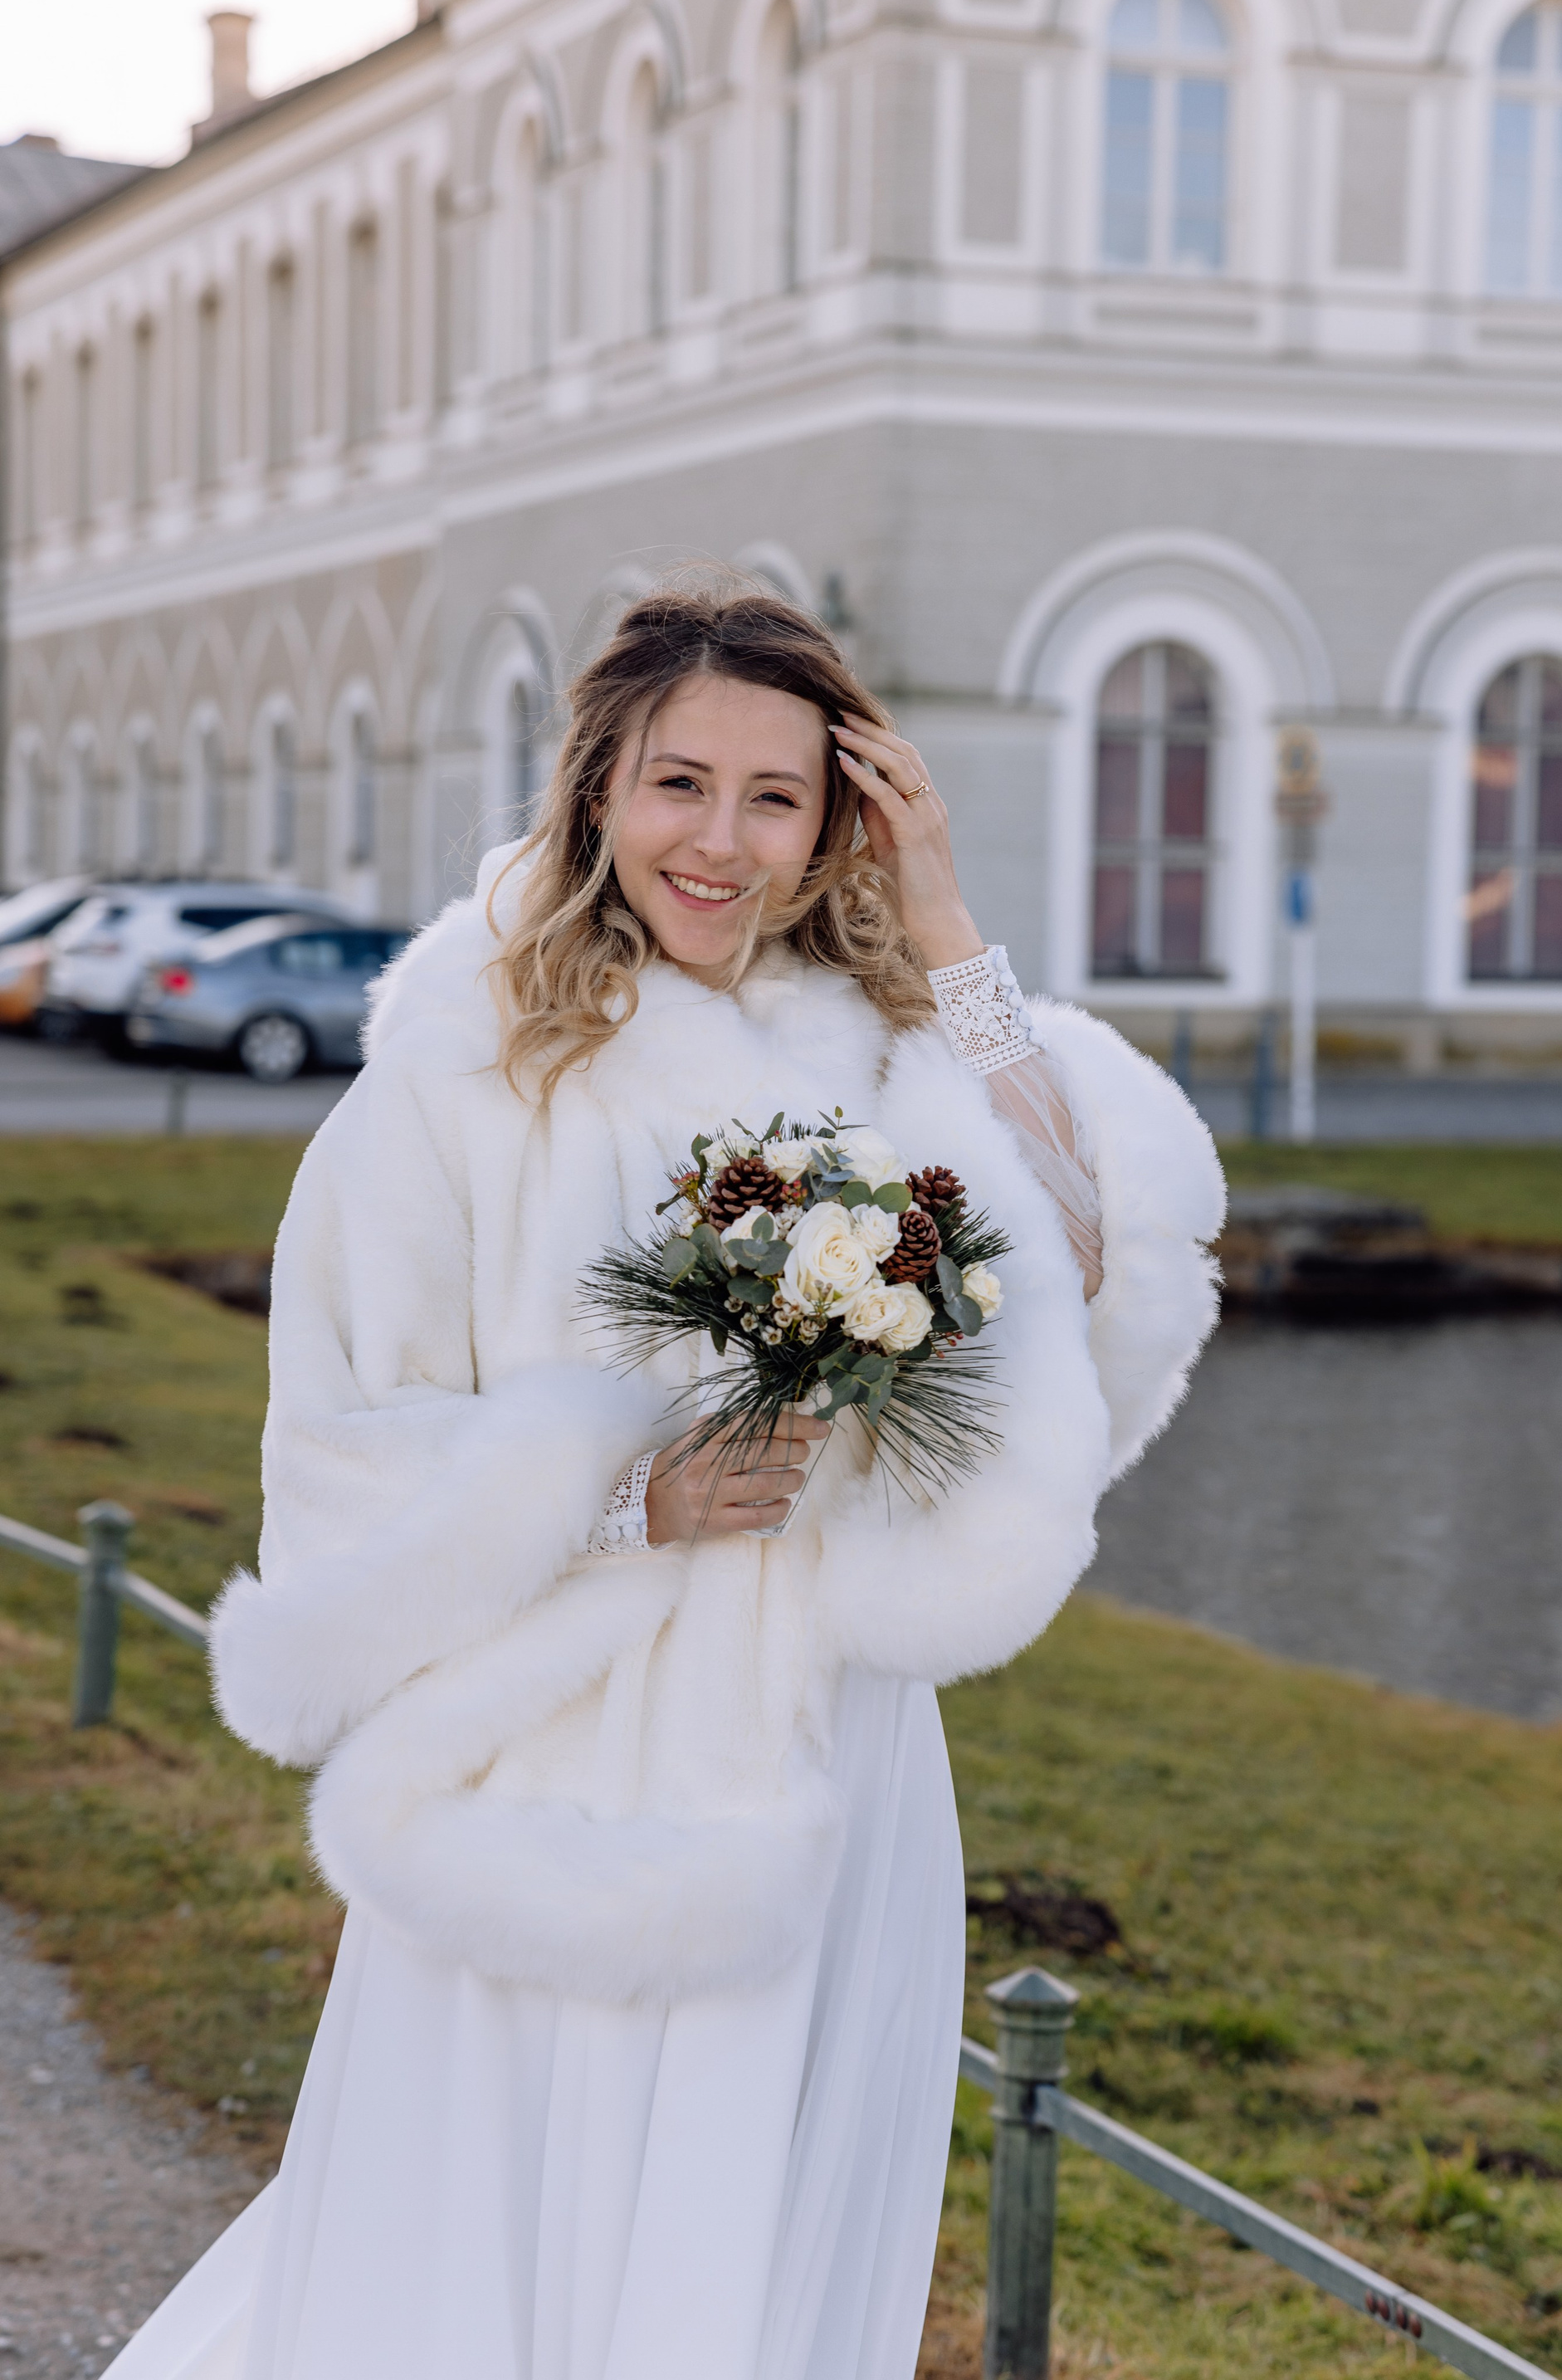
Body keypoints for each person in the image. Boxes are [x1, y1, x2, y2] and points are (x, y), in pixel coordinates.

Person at [107, 579, 1223, 2380]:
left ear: (838, 818)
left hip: (828, 1750)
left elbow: (1085, 1280)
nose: (719, 841)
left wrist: (943, 922)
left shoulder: (880, 1046)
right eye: (678, 784)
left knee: (759, 2263)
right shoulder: (460, 1070)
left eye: (776, 797)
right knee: (475, 2259)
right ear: (598, 791)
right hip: (561, 1765)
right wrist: (630, 1499)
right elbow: (335, 1449)